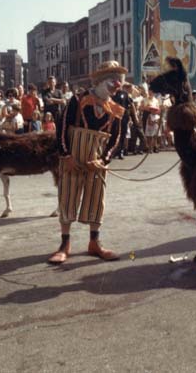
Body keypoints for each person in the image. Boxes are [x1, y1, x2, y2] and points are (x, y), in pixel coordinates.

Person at [48, 60, 127, 265]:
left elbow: (115, 138)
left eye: (120, 80)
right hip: (73, 158)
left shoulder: (116, 109)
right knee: (67, 197)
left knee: (96, 199)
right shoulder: (77, 100)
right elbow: (62, 128)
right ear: (100, 80)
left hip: (97, 161)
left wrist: (103, 160)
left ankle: (94, 243)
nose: (117, 84)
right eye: (113, 79)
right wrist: (66, 156)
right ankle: (64, 245)